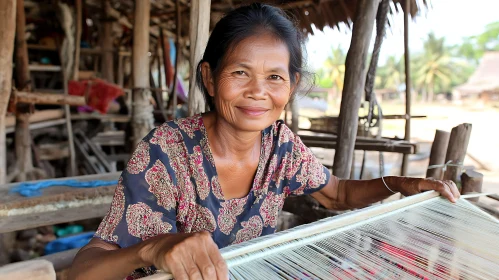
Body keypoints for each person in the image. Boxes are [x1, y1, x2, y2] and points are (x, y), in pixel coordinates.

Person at [69, 3, 459, 280]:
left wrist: (399, 184)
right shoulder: (167, 151)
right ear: (208, 78)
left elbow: (336, 194)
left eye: (275, 77)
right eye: (240, 72)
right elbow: (82, 271)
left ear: (290, 85)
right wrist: (153, 249)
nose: (258, 92)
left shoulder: (280, 146)